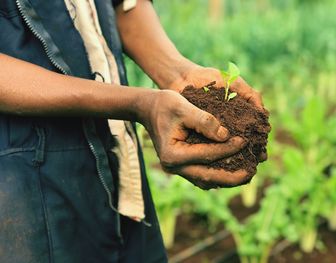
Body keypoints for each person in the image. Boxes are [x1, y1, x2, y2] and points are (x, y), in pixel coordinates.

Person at [0, 0, 265, 262]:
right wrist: (137, 104)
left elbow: (122, 5)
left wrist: (177, 74)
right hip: (23, 181)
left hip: (119, 162)